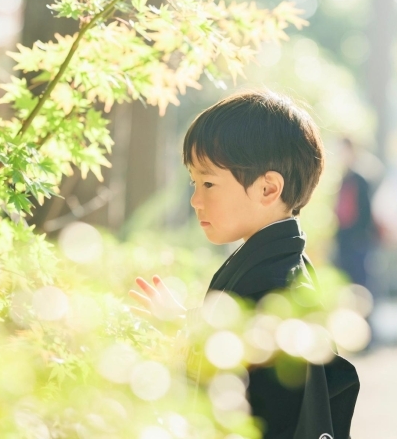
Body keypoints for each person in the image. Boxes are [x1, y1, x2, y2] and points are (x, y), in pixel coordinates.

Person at [128, 90, 360, 439]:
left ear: (268, 189)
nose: (195, 199)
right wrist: (184, 319)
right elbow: (239, 334)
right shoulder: (281, 263)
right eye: (194, 182)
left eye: (208, 183)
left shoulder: (275, 283)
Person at [333, 137, 376, 290]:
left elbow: (366, 210)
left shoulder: (360, 179)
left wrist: (361, 235)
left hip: (357, 238)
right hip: (344, 237)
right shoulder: (343, 179)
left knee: (360, 280)